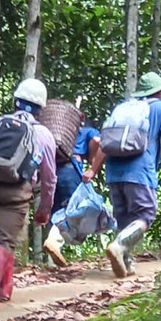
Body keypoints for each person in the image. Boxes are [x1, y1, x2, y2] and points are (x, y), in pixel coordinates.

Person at [82, 71, 161, 278]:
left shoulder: (122, 109)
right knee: (145, 215)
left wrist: (93, 169)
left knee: (124, 218)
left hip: (114, 172)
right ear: (160, 91)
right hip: (140, 172)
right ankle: (120, 245)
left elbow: (105, 142)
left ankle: (127, 263)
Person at [0, 79, 58, 312]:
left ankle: (3, 289)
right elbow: (49, 177)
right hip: (16, 192)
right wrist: (45, 209)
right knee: (5, 240)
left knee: (1, 236)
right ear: (40, 108)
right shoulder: (43, 134)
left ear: (16, 100)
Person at [43, 109, 100, 267]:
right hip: (70, 171)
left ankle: (51, 263)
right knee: (72, 212)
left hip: (50, 171)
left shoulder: (57, 136)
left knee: (55, 212)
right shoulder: (86, 131)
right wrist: (93, 160)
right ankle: (54, 241)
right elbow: (97, 140)